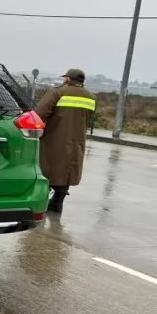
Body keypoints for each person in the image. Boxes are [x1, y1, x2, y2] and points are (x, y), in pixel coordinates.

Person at [34, 68, 96, 212]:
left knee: (47, 167)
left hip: (54, 137)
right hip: (77, 139)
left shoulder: (57, 92)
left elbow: (39, 114)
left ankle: (43, 201)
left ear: (68, 79)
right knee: (67, 168)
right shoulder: (91, 97)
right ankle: (58, 202)